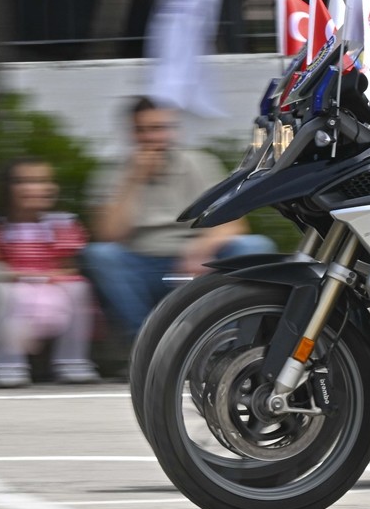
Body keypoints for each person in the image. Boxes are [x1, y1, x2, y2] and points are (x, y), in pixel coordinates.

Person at [81, 97, 276, 337]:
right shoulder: (112, 171)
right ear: (131, 133)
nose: (151, 137)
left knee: (255, 246)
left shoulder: (199, 163)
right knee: (101, 255)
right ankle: (144, 339)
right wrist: (133, 180)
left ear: (172, 131)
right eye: (142, 130)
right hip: (143, 265)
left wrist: (201, 249)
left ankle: (228, 339)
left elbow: (234, 225)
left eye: (158, 129)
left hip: (196, 263)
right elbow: (108, 234)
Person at [0, 157, 100, 387]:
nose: (36, 188)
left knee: (78, 287)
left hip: (53, 291)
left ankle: (72, 361)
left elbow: (69, 265)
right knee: (1, 292)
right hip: (15, 290)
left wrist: (49, 276)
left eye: (43, 181)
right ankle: (8, 364)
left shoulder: (63, 225)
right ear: (8, 188)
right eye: (25, 182)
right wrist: (24, 276)